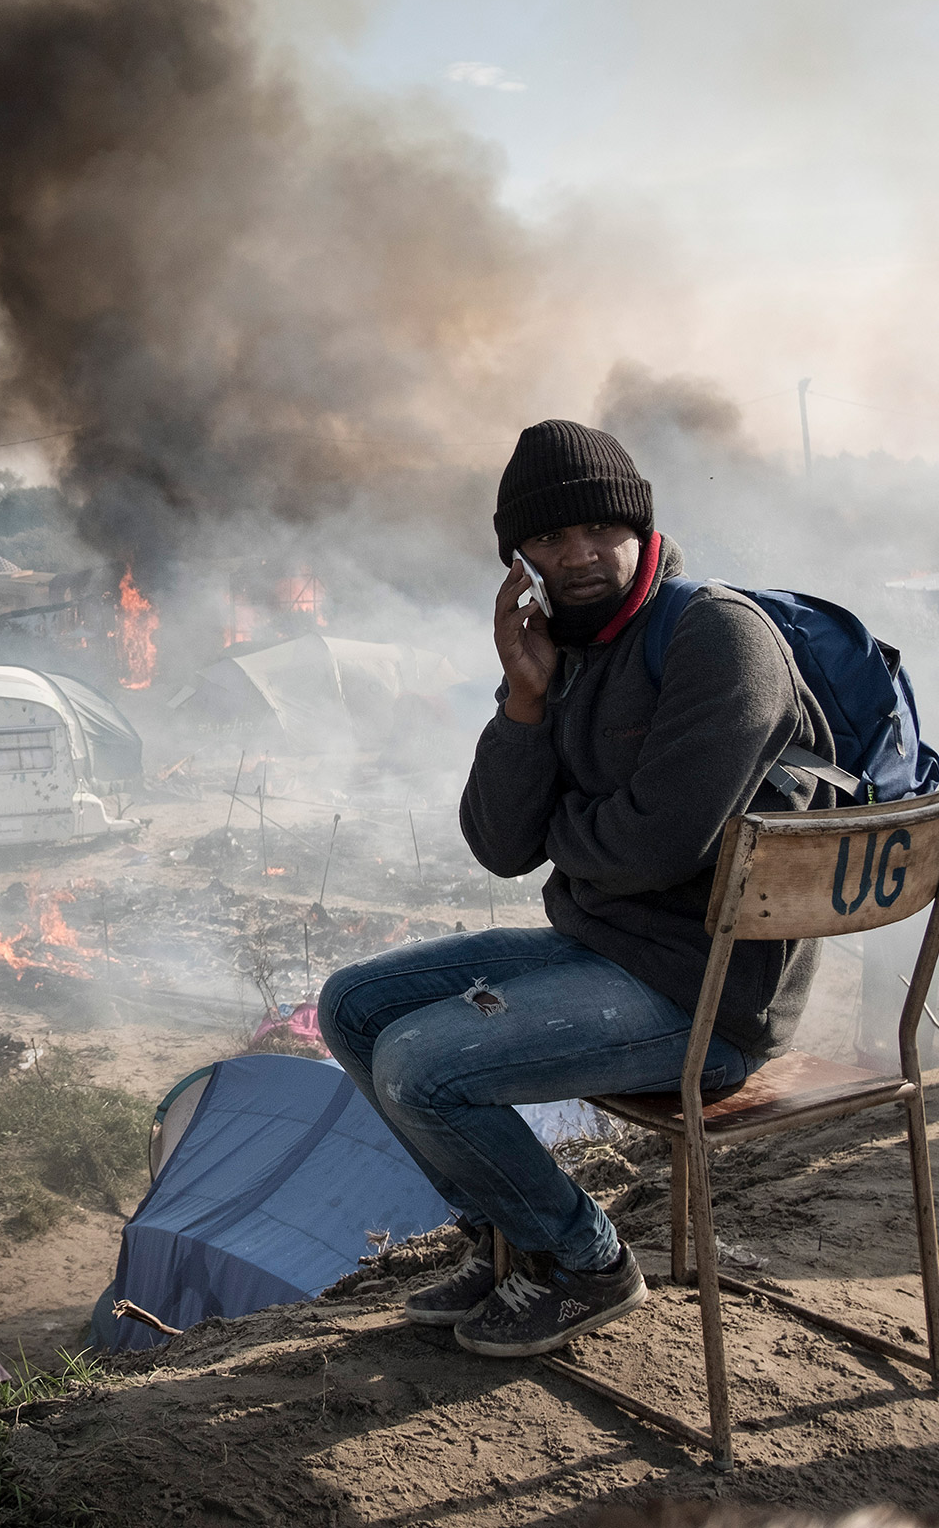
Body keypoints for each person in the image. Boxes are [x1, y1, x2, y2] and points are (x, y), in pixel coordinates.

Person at [316, 420, 835, 1358]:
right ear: (522, 560)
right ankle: (510, 1239)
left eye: (600, 529)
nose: (580, 555)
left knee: (418, 1066)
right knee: (351, 1005)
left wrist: (571, 832)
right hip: (602, 951)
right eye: (552, 540)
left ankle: (586, 1260)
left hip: (708, 995)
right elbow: (498, 843)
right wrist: (524, 698)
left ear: (642, 525)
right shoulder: (563, 649)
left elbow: (659, 842)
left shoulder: (717, 636)